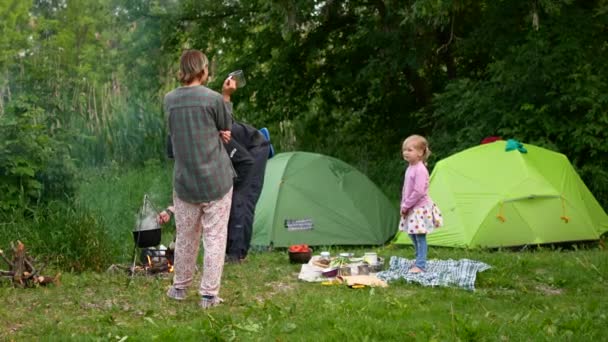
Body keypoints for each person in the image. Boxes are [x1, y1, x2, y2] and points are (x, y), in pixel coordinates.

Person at [163, 49, 237, 309]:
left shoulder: (169, 100)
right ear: (202, 70)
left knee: (185, 236)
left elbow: (177, 136)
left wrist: (215, 133)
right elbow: (226, 125)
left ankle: (179, 289)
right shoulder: (214, 98)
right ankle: (208, 295)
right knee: (215, 237)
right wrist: (227, 96)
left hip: (185, 181)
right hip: (215, 180)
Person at [222, 122, 270, 263]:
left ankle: (237, 253)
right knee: (232, 198)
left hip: (256, 148)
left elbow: (246, 162)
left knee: (241, 199)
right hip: (242, 150)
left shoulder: (220, 138)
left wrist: (236, 183)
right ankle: (229, 248)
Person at [399, 134, 443, 273]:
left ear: (420, 152)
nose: (406, 152)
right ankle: (418, 259)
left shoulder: (420, 169)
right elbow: (407, 189)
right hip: (411, 207)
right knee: (412, 234)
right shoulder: (411, 167)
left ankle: (421, 265)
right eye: (404, 149)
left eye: (409, 150)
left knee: (419, 236)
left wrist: (406, 205)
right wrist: (404, 205)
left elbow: (418, 191)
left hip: (419, 208)